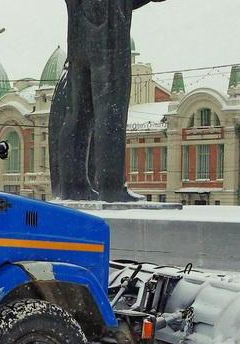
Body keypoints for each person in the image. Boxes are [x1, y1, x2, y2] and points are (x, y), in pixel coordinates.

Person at [48, 0, 164, 201]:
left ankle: (72, 186)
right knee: (110, 112)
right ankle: (111, 187)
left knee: (77, 114)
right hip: (108, 38)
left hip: (78, 39)